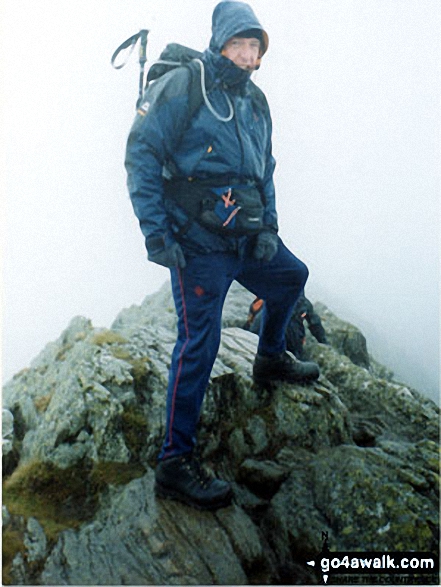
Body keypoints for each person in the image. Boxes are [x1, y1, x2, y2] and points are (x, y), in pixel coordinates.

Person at [125, 0, 320, 511]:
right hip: (197, 245)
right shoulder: (188, 85)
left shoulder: (256, 103)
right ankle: (174, 463)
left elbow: (266, 169)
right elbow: (141, 153)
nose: (247, 54)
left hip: (246, 237)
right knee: (200, 345)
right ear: (219, 43)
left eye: (254, 46)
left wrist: (269, 228)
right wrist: (156, 236)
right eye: (239, 44)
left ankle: (271, 356)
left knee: (291, 277)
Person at [244, 292, 328, 360]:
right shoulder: (304, 302)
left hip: (257, 337)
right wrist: (325, 343)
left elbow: (251, 317)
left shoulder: (266, 295)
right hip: (288, 343)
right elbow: (316, 325)